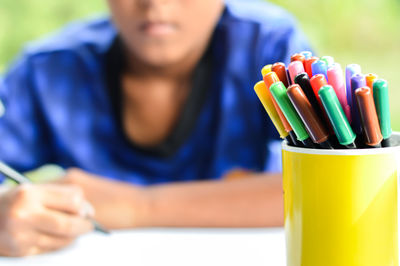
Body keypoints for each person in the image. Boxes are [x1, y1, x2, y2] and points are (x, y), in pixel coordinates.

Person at [0, 0, 311, 257]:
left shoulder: (269, 47)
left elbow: (326, 183)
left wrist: (137, 205)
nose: (155, 4)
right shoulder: (48, 70)